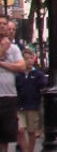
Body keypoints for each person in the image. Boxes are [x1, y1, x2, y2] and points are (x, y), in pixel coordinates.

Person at [0, 17, 25, 152]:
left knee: (5, 136)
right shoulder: (7, 46)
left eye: (5, 24)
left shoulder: (14, 48)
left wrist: (3, 63)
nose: (3, 27)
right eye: (0, 24)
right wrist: (3, 49)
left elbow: (21, 66)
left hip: (9, 95)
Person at [15, 49, 47, 152]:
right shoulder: (18, 75)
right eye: (26, 59)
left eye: (31, 58)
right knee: (20, 130)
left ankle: (30, 150)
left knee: (31, 132)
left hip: (33, 106)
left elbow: (44, 84)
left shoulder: (38, 74)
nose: (29, 61)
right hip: (20, 106)